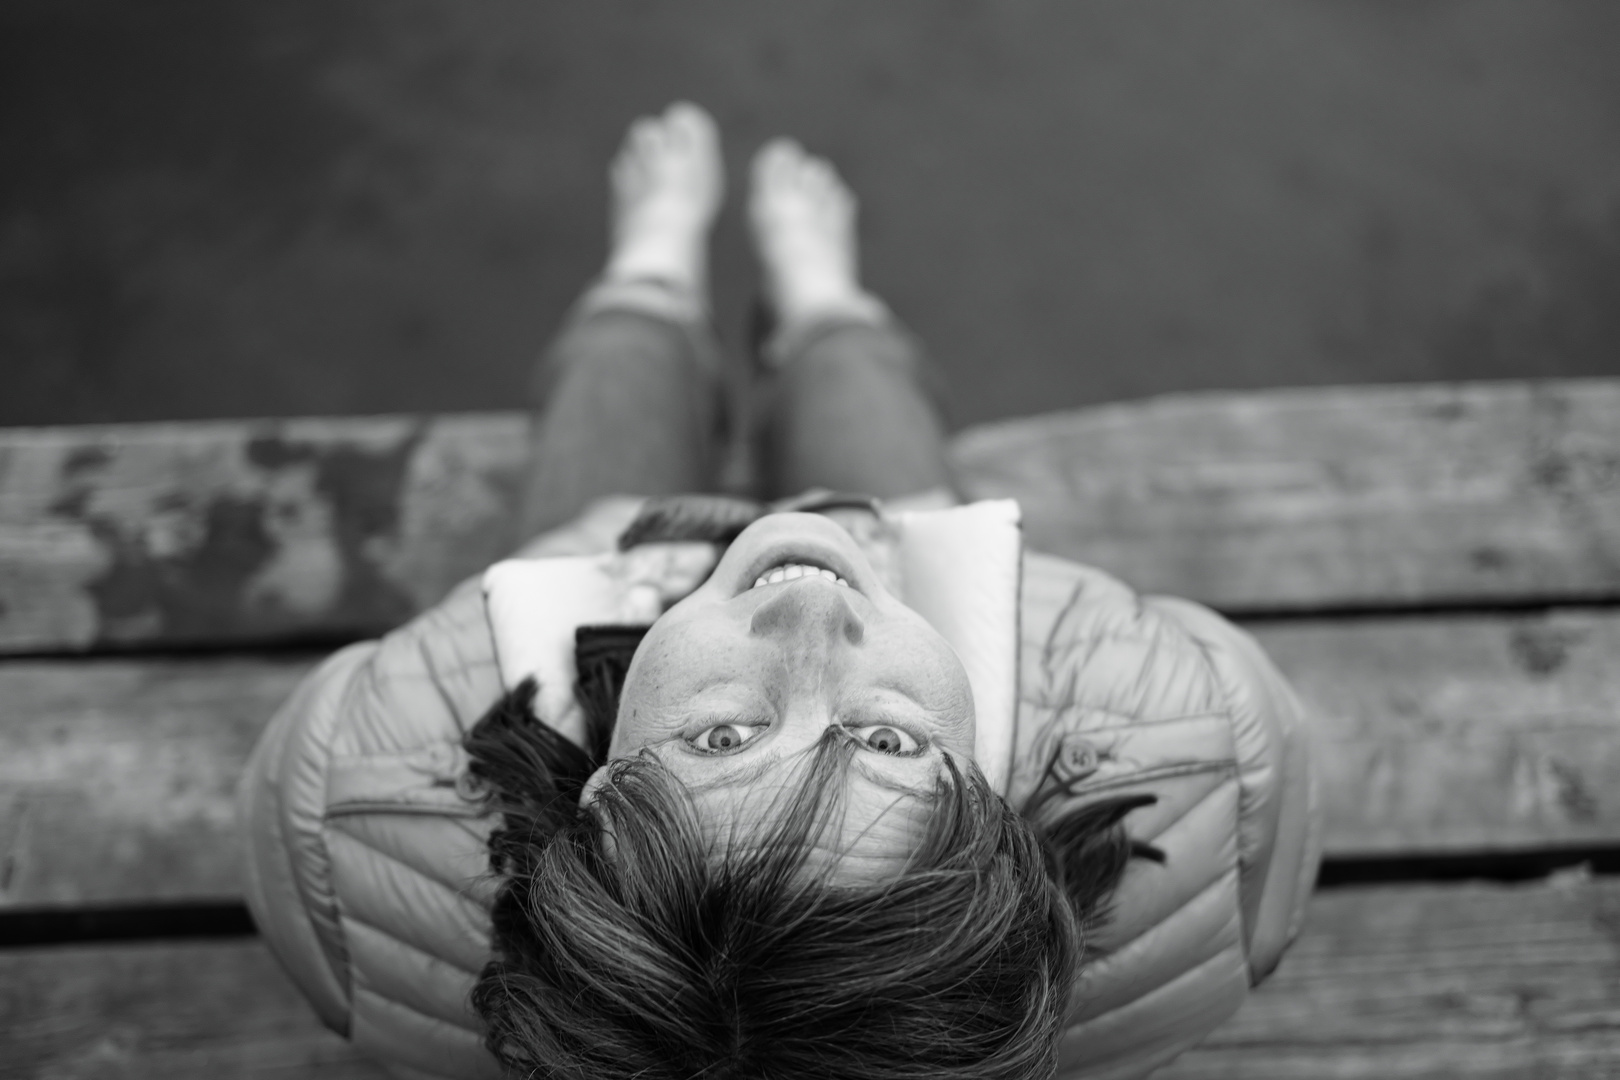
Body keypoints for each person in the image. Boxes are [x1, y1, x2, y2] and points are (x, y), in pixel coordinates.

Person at [239, 102, 1319, 1080]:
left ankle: (651, 278)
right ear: (996, 825)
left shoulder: (362, 795)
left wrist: (603, 558)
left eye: (720, 738)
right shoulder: (1195, 753)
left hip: (606, 573)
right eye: (891, 742)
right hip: (920, 583)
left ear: (601, 802)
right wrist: (944, 576)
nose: (812, 616)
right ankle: (823, 307)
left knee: (605, 471)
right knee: (892, 486)